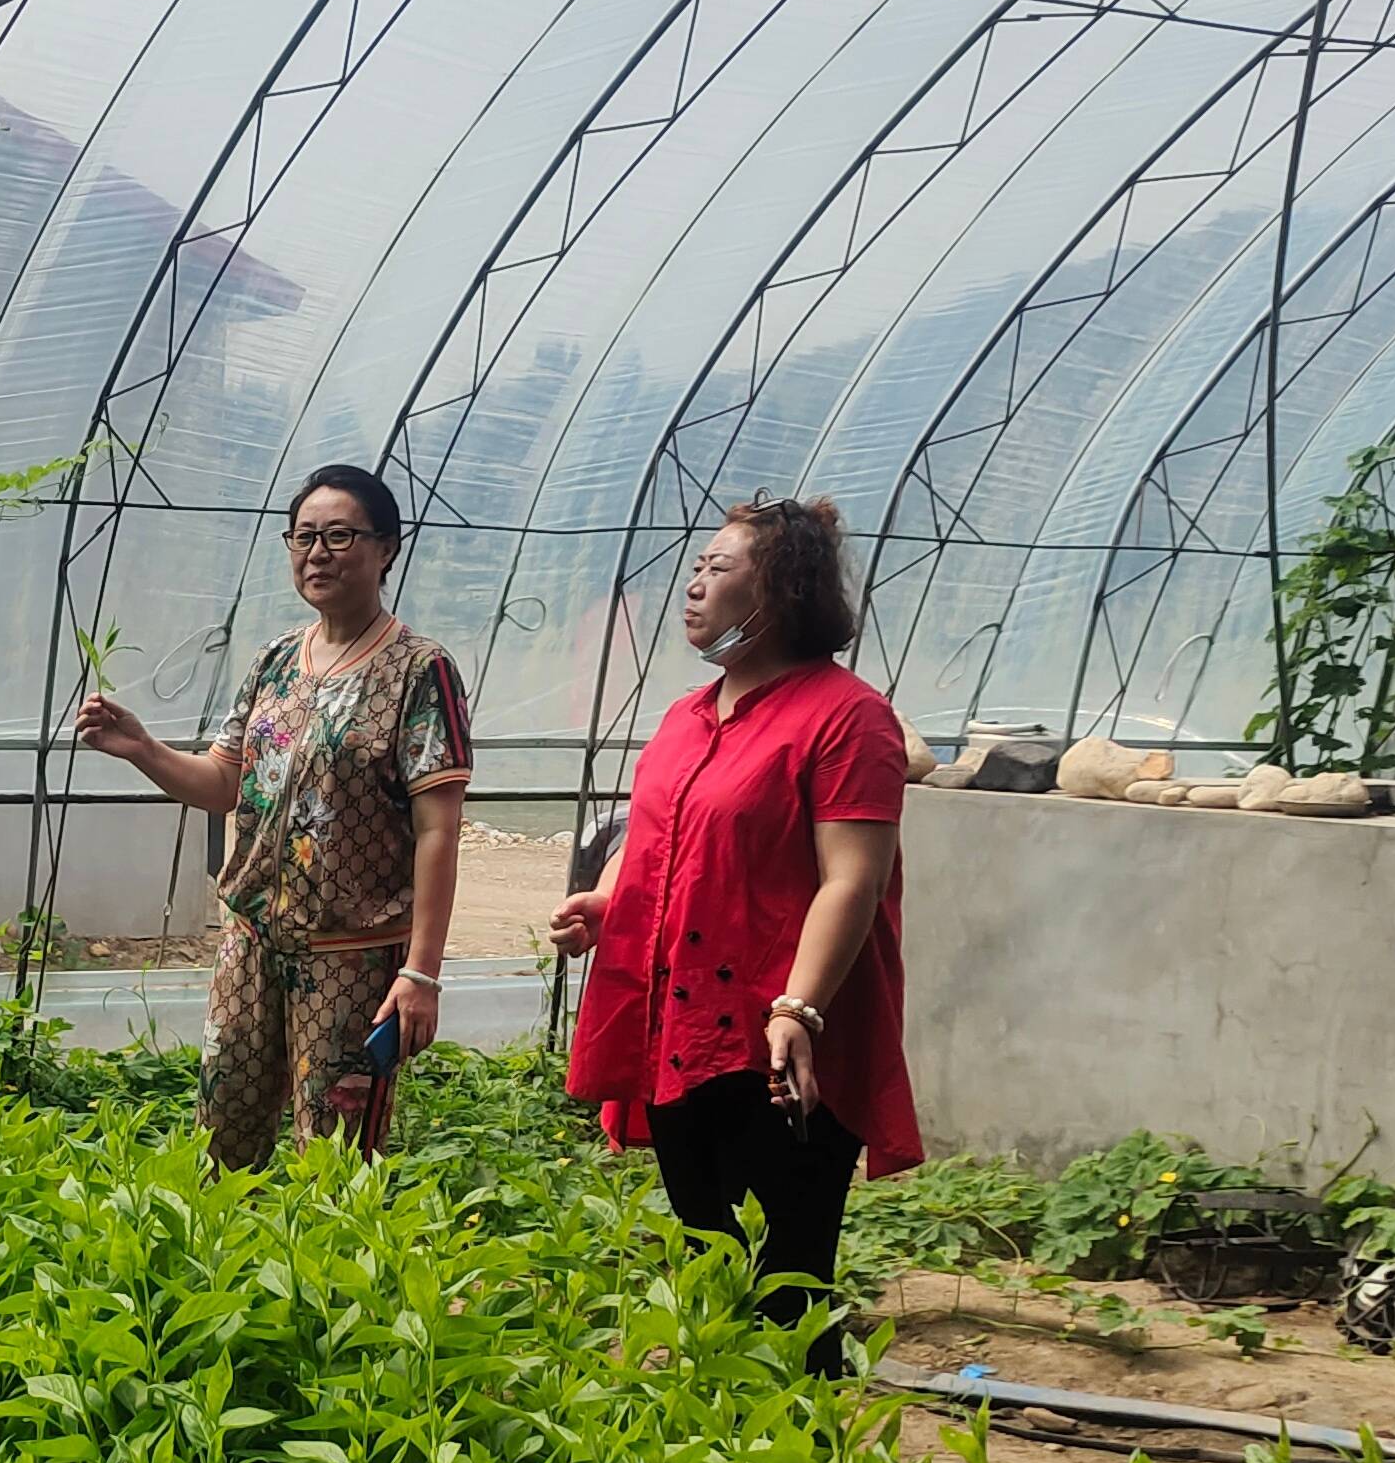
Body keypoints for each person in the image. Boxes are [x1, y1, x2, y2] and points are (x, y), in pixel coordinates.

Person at [551, 495, 915, 1368]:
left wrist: (800, 1008)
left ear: (781, 592)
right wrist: (606, 903)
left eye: (720, 569)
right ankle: (723, 1443)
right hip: (679, 1028)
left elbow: (852, 880)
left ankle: (803, 1461)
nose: (694, 585)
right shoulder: (688, 715)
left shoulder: (847, 717)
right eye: (697, 567)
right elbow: (655, 837)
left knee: (791, 1274)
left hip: (781, 1038)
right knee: (706, 1248)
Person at [74, 463, 473, 1168]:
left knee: (336, 1154)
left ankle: (329, 1278)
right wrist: (141, 748)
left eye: (341, 536)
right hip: (251, 942)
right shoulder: (276, 661)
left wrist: (421, 972)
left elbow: (438, 830)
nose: (318, 553)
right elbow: (225, 784)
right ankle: (227, 1270)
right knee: (221, 1132)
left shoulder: (420, 670)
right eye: (304, 536)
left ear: (386, 548)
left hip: (349, 956)